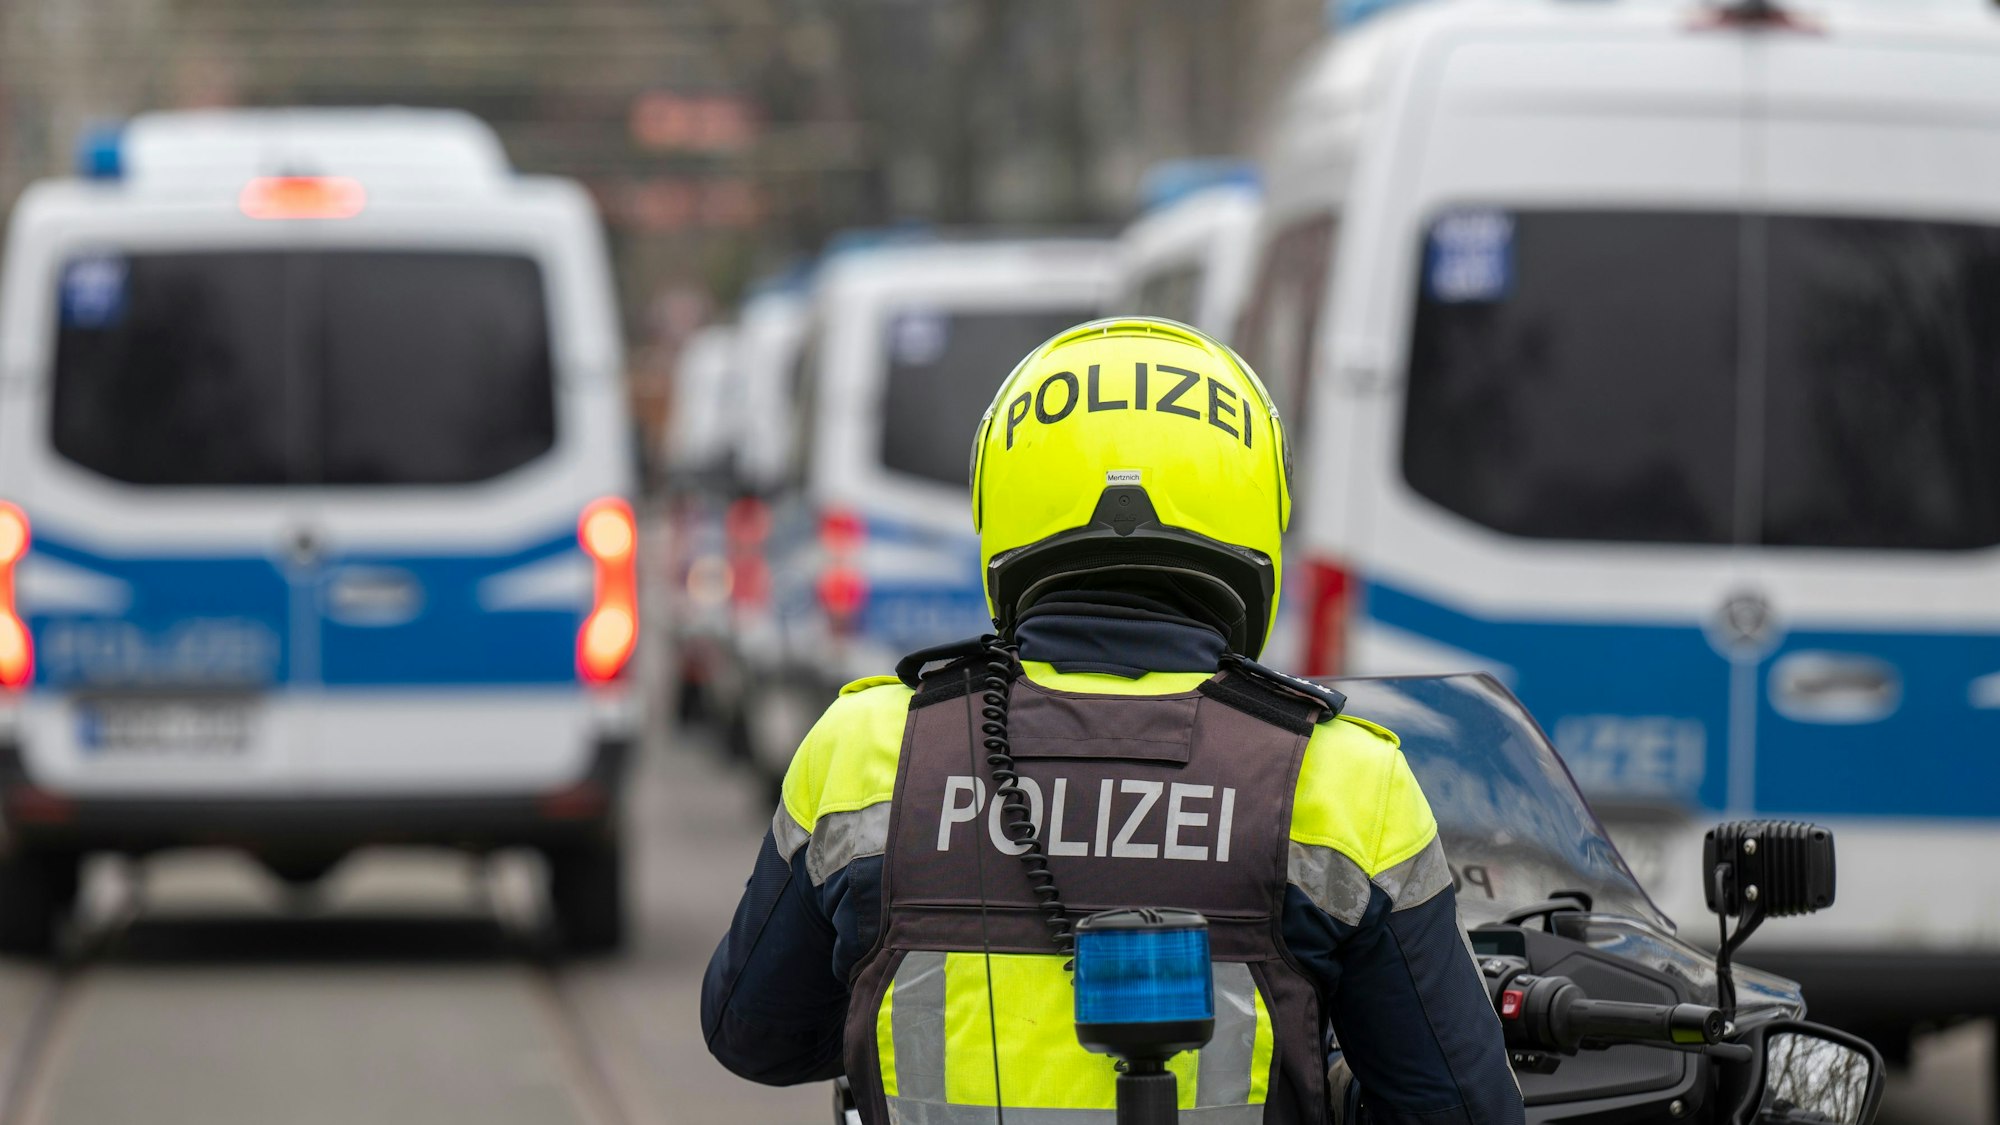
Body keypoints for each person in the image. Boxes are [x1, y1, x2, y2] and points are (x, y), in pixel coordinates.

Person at [702, 318, 1523, 1124]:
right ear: (1256, 507)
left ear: (1005, 505)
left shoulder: (869, 748)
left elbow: (752, 1033)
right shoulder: (1344, 779)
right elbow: (1462, 1106)